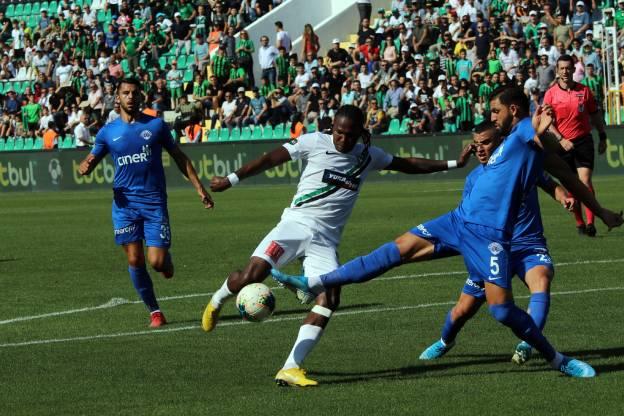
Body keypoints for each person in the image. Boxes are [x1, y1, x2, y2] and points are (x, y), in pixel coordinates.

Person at [272, 88, 597, 382]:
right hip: (457, 222)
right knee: (397, 249)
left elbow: (544, 145)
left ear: (513, 109)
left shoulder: (522, 130)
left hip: (489, 237)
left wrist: (546, 132)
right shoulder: (500, 146)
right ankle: (315, 282)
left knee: (500, 310)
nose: (491, 116)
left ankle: (556, 358)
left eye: (496, 111)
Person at [200, 105, 475, 387]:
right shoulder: (313, 141)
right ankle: (218, 300)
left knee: (330, 298)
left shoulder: (367, 156)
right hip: (293, 226)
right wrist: (231, 179)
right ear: (332, 127)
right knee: (251, 275)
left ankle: (290, 367)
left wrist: (454, 164)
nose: (343, 139)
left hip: (326, 240)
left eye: (350, 135)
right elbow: (271, 158)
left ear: (361, 133)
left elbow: (407, 164)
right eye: (339, 133)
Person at [418, 121, 575, 364]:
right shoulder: (473, 179)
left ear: (501, 143)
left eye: (486, 143)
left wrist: (563, 196)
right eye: (476, 145)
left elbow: (548, 183)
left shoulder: (522, 164)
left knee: (541, 281)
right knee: (462, 311)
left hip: (527, 244)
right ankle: (444, 342)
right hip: (491, 249)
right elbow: (468, 221)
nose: (479, 149)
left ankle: (527, 342)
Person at [77, 77, 214, 328]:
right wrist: (84, 166)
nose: (131, 96)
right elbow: (90, 160)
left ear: (141, 97)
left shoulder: (156, 126)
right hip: (124, 205)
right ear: (117, 98)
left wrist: (199, 188)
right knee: (134, 259)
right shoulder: (108, 132)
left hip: (153, 204)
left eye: (135, 93)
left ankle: (166, 261)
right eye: (126, 93)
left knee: (157, 262)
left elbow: (179, 157)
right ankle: (155, 312)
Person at [544, 54, 608, 237]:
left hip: (582, 141)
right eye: (561, 68)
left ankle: (590, 223)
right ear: (557, 71)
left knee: (585, 181)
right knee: (571, 186)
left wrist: (602, 136)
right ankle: (579, 222)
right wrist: (560, 138)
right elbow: (546, 121)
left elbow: (595, 115)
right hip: (560, 144)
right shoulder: (550, 94)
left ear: (573, 69)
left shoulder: (584, 91)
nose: (565, 71)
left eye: (568, 68)